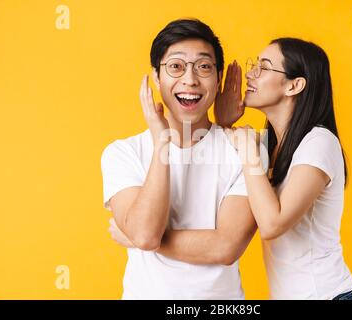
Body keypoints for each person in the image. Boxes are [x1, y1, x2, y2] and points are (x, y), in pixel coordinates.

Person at [101, 18, 267, 299]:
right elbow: (145, 232)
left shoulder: (246, 149)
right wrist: (162, 144)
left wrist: (142, 241)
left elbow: (225, 248)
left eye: (203, 67)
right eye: (176, 67)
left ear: (218, 77)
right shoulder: (123, 153)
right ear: (156, 77)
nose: (190, 80)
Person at [215, 38, 352, 300]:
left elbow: (273, 223)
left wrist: (249, 154)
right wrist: (225, 122)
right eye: (254, 65)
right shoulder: (269, 145)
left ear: (294, 85)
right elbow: (217, 151)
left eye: (264, 67)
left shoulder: (319, 142)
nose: (251, 73)